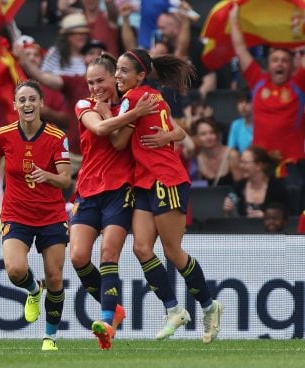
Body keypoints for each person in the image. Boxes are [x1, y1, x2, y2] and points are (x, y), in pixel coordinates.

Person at [72, 52, 185, 350]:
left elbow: (175, 128)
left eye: (101, 80)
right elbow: (100, 129)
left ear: (115, 79)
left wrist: (170, 134)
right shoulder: (85, 105)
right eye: (89, 82)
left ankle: (108, 322)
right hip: (87, 190)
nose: (95, 87)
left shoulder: (130, 102)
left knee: (109, 254)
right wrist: (133, 114)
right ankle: (117, 309)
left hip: (121, 190)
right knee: (78, 257)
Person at [115, 48, 223, 343]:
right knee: (140, 248)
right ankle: (174, 310)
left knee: (173, 252)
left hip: (166, 179)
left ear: (140, 76)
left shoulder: (135, 99)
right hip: (145, 181)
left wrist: (99, 112)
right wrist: (168, 136)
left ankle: (210, 307)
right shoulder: (153, 97)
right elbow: (179, 132)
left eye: (124, 71)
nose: (117, 76)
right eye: (116, 70)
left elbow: (116, 140)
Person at [0, 80, 71, 351]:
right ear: (15, 106)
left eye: (32, 99)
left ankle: (49, 337)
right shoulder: (4, 134)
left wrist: (47, 175)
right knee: (15, 270)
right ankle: (33, 290)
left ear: (41, 103)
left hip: (51, 215)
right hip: (16, 213)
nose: (27, 104)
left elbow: (65, 180)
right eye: (22, 100)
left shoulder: (56, 136)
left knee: (55, 277)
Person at [229, 3, 305, 188]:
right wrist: (233, 20)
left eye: (284, 60)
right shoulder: (257, 80)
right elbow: (240, 48)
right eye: (275, 60)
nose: (280, 64)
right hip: (261, 165)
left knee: (293, 213)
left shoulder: (299, 84)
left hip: (291, 164)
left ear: (291, 65)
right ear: (268, 64)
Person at [222, 146, 289, 219]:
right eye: (241, 162)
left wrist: (266, 217)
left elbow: (286, 217)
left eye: (245, 163)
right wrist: (228, 211)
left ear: (259, 166)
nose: (241, 166)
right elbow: (230, 221)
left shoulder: (277, 188)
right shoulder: (238, 187)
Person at [226, 88, 253, 155]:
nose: (243, 106)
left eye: (248, 102)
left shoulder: (263, 123)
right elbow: (230, 150)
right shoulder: (236, 125)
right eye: (240, 102)